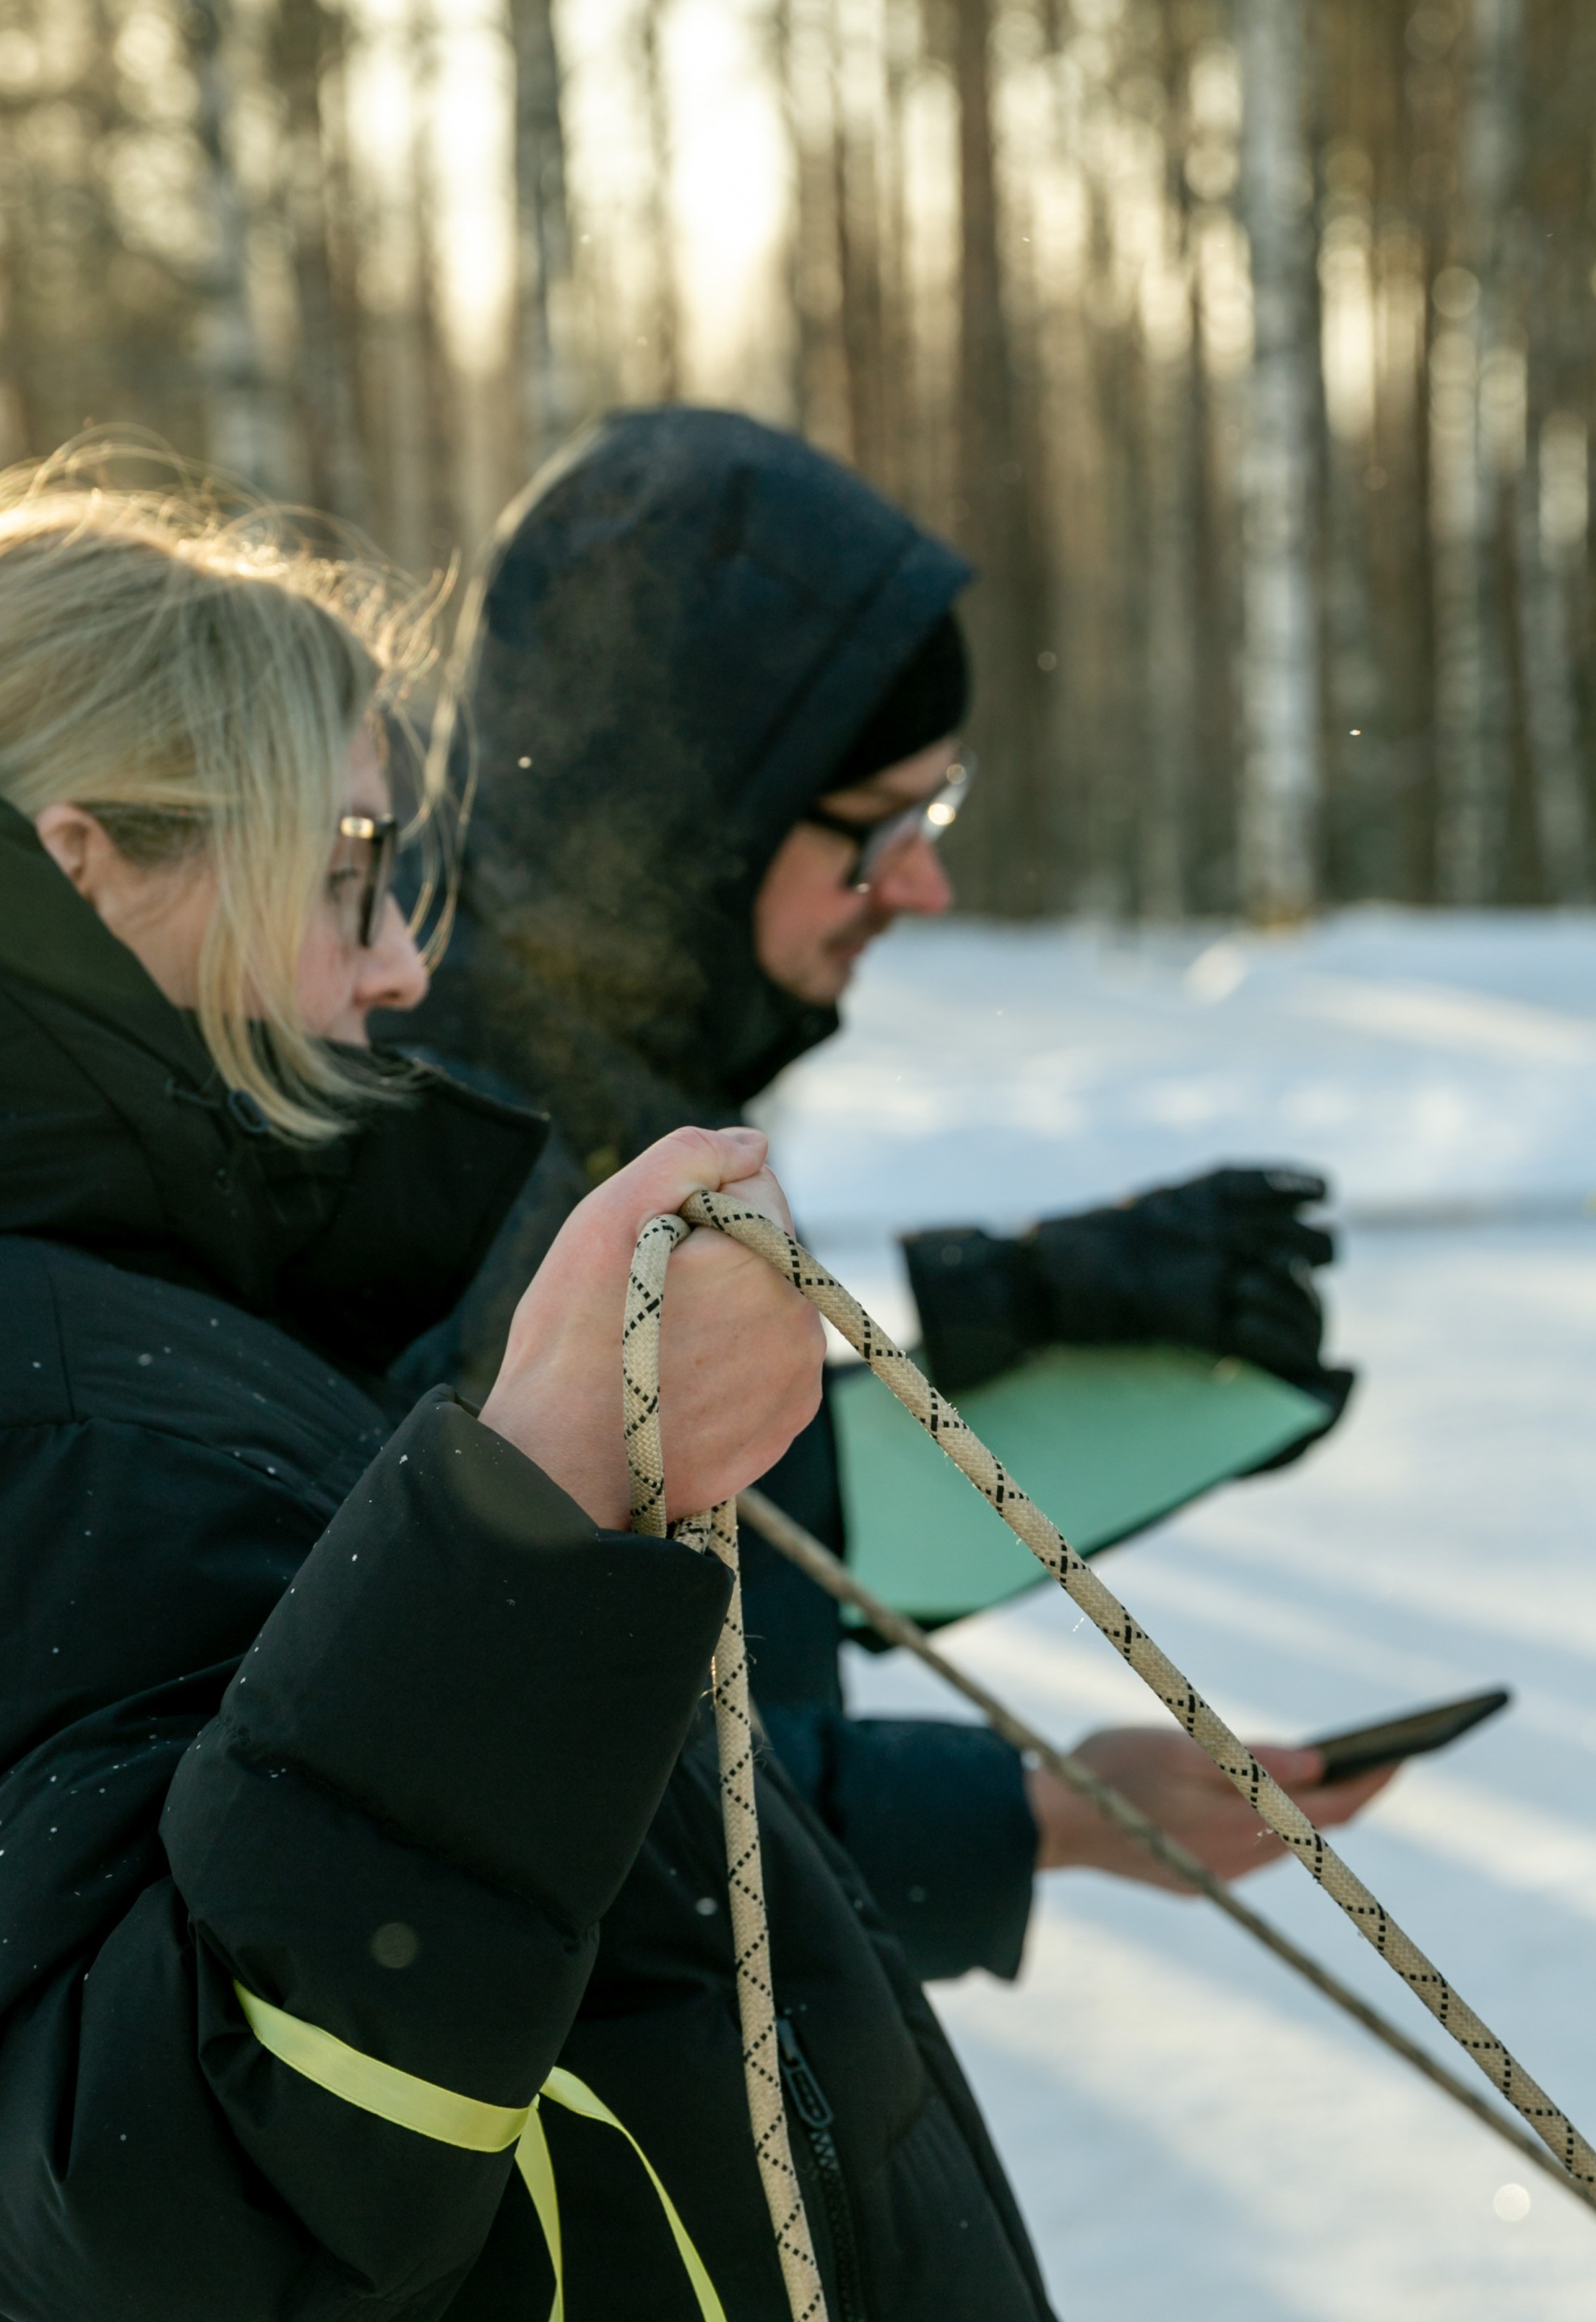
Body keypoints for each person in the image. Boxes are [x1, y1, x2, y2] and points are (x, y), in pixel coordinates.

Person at [0, 454, 1199, 2322]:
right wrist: (533, 1516)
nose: (402, 961)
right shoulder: (31, 1402)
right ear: (87, 866)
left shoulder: (101, 1325)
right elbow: (176, 2208)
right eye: (348, 867)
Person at [382, 405, 1373, 1977]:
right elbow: (555, 1833)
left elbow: (733, 1551)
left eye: (939, 806)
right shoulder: (466, 1166)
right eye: (879, 827)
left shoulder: (598, 1092)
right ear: (695, 820)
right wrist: (1036, 1814)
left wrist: (1031, 1327)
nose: (923, 881)